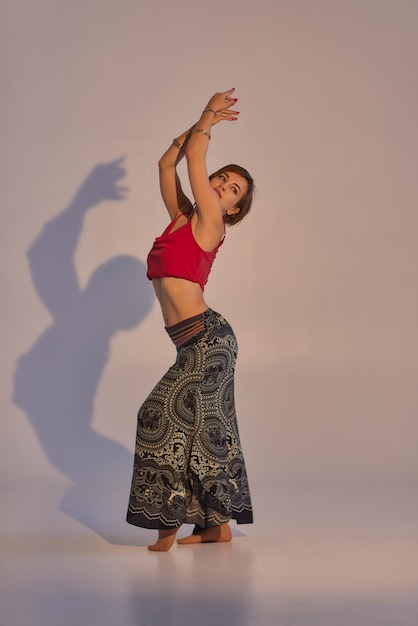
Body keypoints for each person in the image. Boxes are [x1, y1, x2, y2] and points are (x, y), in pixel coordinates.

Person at [127, 88, 254, 551]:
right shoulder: (182, 218)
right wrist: (203, 125)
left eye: (232, 189)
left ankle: (168, 527)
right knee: (205, 430)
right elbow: (167, 164)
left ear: (233, 209)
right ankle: (216, 528)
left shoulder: (210, 224)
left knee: (156, 415)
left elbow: (194, 157)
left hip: (209, 340)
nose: (221, 186)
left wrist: (207, 117)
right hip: (193, 343)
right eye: (221, 178)